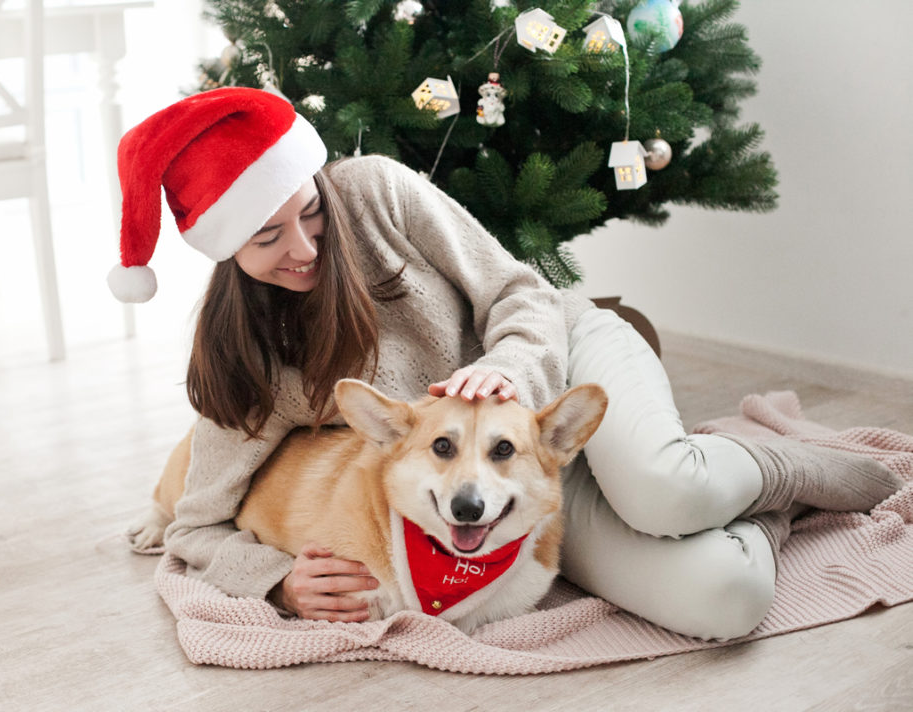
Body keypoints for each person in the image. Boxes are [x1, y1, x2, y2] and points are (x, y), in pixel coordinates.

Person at [109, 88, 901, 641]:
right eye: (267, 237)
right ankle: (769, 519)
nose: (307, 246)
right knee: (726, 600)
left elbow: (518, 291)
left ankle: (782, 468)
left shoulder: (376, 191)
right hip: (499, 483)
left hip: (557, 356)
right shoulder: (253, 367)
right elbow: (197, 524)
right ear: (223, 249)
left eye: (309, 211)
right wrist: (273, 582)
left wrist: (514, 371)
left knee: (666, 489)